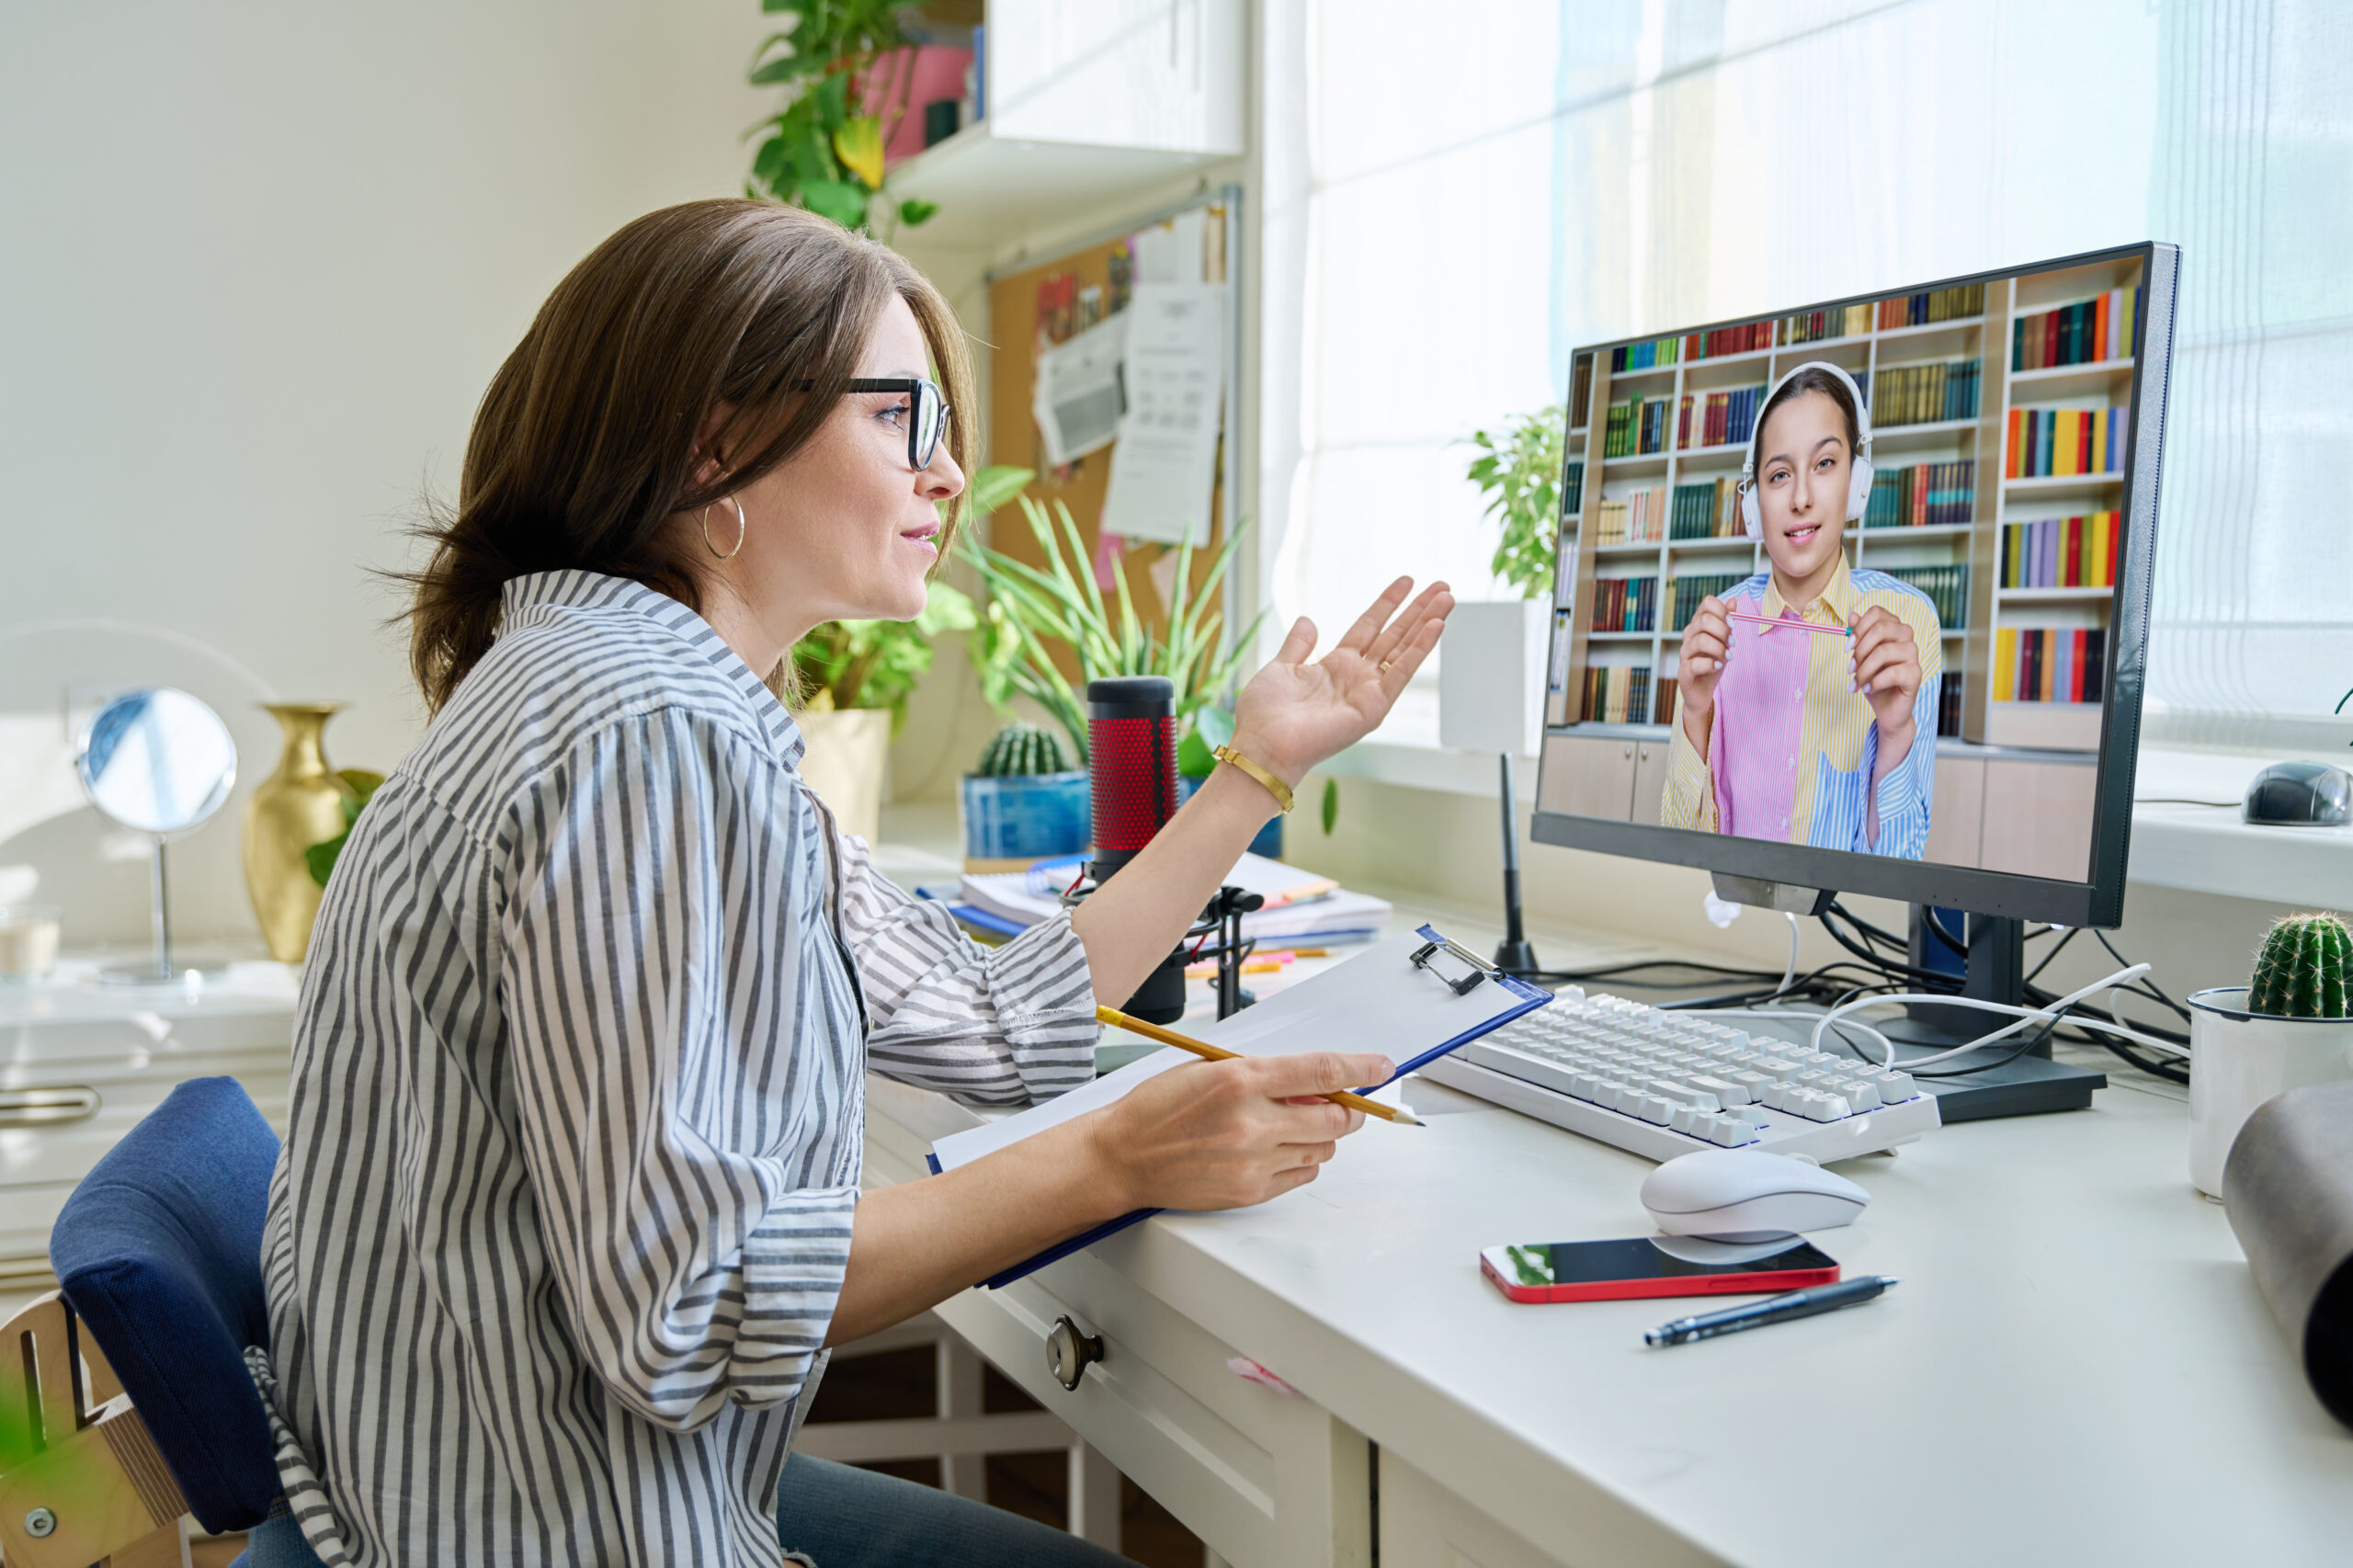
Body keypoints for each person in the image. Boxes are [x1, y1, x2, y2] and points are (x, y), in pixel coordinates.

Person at [243, 199, 1452, 1568]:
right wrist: (1113, 1153)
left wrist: (1253, 771)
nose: (946, 479)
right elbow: (691, 1306)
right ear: (717, 440)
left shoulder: (646, 704)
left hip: (472, 1496)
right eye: (904, 420)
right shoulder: (645, 737)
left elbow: (997, 1013)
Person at [1658, 361, 1942, 858]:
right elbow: (1681, 856)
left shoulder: (1909, 623)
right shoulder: (1721, 623)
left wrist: (1895, 733)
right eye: (1780, 474)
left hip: (1836, 931)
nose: (1802, 498)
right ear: (1754, 506)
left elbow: (1900, 868)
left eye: (1825, 464)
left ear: (1858, 483)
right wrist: (1696, 712)